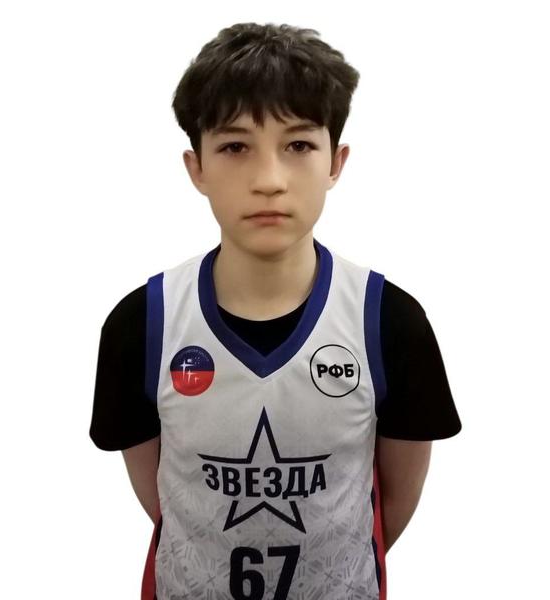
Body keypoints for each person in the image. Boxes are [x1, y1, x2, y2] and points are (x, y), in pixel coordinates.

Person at [89, 22, 461, 600]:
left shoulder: (391, 322)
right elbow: (164, 499)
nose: (268, 180)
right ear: (197, 167)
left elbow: (392, 505)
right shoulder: (143, 324)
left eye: (299, 145)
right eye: (235, 147)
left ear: (336, 161)